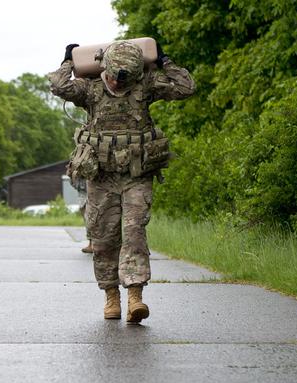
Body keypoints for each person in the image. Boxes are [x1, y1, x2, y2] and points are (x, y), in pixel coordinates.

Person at [49, 40, 195, 321]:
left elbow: (187, 88)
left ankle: (135, 296)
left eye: (125, 78)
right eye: (114, 76)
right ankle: (111, 296)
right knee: (103, 238)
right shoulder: (90, 90)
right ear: (105, 68)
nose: (117, 82)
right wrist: (68, 61)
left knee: (134, 232)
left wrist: (165, 62)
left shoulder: (146, 86)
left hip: (136, 175)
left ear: (137, 74)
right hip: (101, 176)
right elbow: (58, 86)